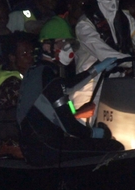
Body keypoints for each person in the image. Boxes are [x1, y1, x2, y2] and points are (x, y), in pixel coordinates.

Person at [17, 17, 124, 166]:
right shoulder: (49, 77)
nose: (69, 48)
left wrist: (97, 68)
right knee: (115, 148)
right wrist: (96, 133)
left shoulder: (38, 72)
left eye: (69, 44)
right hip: (48, 148)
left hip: (36, 147)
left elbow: (67, 86)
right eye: (63, 43)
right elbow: (70, 126)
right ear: (48, 46)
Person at [0, 32, 36, 159]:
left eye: (32, 53)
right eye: (24, 54)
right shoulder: (13, 84)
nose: (30, 58)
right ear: (12, 57)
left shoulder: (1, 71)